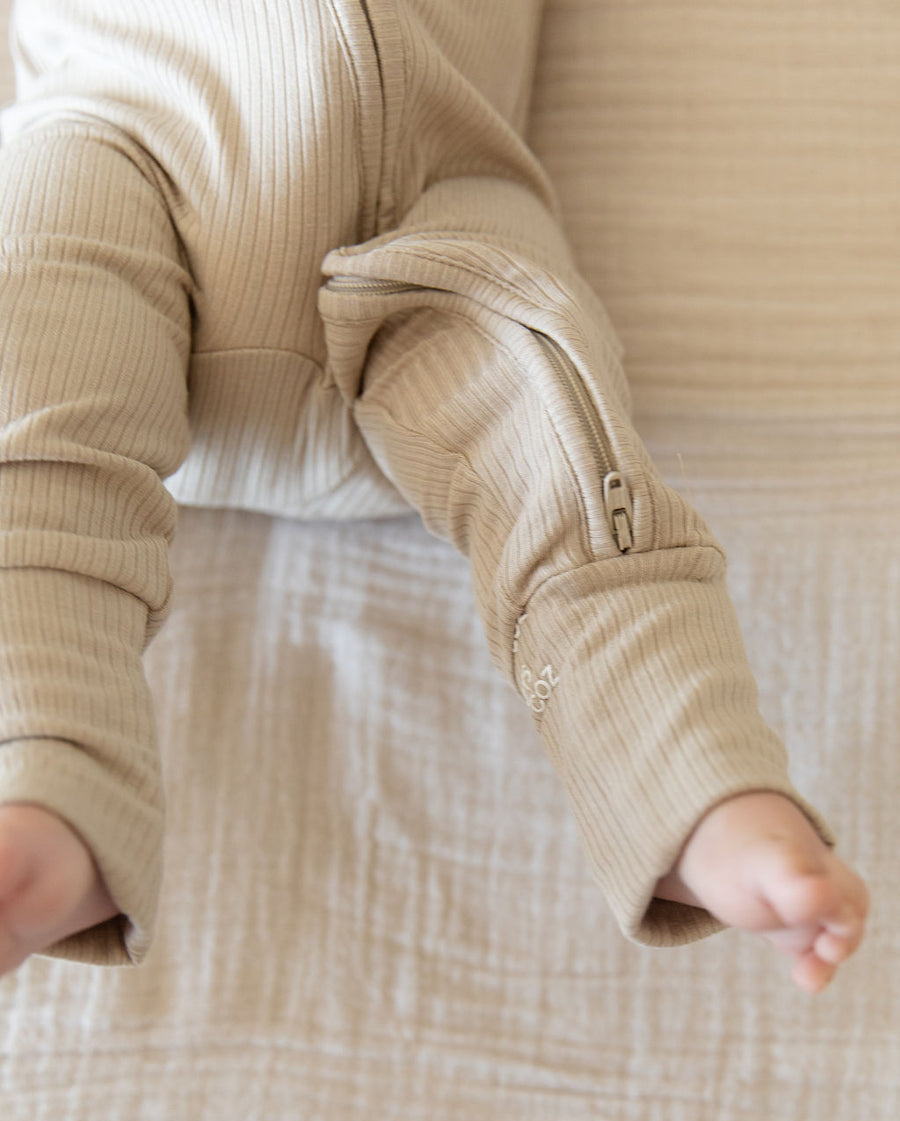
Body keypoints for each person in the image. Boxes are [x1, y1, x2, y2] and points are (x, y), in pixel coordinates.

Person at [0, 0, 868, 991]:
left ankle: (689, 785)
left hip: (428, 210)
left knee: (561, 460)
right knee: (28, 381)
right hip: (123, 149)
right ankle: (43, 766)